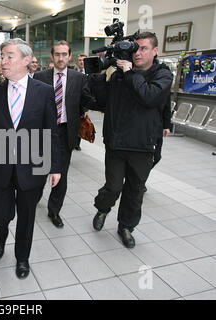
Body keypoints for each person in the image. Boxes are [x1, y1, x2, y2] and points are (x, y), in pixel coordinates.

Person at [0, 38, 61, 279]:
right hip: (3, 166)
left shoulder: (44, 92)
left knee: (27, 217)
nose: (2, 62)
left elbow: (51, 131)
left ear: (26, 60)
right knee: (0, 212)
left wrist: (55, 166)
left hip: (33, 167)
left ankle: (22, 258)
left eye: (9, 56)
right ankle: (1, 233)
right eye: (2, 57)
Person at [89, 32, 173, 248]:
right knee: (113, 186)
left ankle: (126, 226)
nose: (138, 53)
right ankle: (103, 208)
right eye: (135, 48)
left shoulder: (162, 75)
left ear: (155, 51)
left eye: (144, 48)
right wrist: (99, 76)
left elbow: (150, 97)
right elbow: (102, 103)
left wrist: (166, 123)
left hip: (143, 145)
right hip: (116, 142)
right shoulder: (118, 75)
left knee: (135, 190)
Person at [34, 41, 94, 228]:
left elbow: (87, 100)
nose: (61, 58)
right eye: (57, 54)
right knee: (40, 170)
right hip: (43, 131)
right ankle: (33, 197)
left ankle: (54, 210)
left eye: (64, 54)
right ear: (52, 56)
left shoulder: (78, 78)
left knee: (62, 173)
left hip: (65, 131)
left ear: (69, 56)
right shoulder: (40, 76)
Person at [73, 53, 88, 151]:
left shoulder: (90, 74)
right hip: (73, 103)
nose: (81, 62)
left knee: (81, 123)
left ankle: (77, 143)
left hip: (83, 104)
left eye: (83, 60)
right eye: (80, 60)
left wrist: (86, 109)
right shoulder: (72, 72)